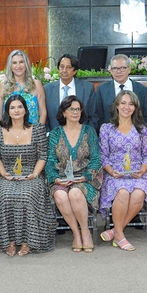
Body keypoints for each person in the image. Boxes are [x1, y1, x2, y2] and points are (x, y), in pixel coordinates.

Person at [0, 94, 54, 256]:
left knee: (27, 195)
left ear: (25, 110)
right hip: (7, 174)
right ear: (7, 111)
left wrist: (35, 174)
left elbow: (43, 156)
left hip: (32, 173)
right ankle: (8, 241)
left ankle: (27, 241)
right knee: (4, 195)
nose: (16, 110)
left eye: (19, 107)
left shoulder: (37, 129)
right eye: (12, 107)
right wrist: (4, 174)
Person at [98, 90, 147, 251]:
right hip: (115, 173)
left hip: (137, 173)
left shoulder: (142, 130)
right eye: (123, 103)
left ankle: (115, 231)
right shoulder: (106, 129)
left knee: (139, 193)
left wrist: (141, 171)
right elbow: (103, 156)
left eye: (131, 104)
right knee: (123, 192)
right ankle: (119, 235)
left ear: (135, 108)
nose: (127, 107)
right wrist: (111, 171)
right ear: (117, 106)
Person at [47, 96, 102, 252]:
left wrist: (85, 176)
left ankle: (85, 232)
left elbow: (96, 159)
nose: (75, 112)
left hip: (85, 178)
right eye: (71, 109)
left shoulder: (89, 131)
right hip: (61, 178)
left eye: (78, 109)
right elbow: (50, 161)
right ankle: (76, 234)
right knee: (61, 195)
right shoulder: (55, 134)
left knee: (75, 193)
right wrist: (56, 178)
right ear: (64, 112)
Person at [44, 54, 99, 130]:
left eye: (69, 67)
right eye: (62, 67)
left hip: (82, 137)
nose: (64, 70)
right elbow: (44, 117)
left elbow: (94, 116)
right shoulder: (48, 89)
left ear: (75, 71)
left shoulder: (87, 88)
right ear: (58, 69)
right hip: (54, 138)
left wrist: (87, 134)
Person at [0, 49, 46, 127]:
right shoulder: (3, 86)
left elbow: (43, 112)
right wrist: (0, 134)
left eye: (21, 62)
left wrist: (39, 132)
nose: (18, 66)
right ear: (10, 66)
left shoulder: (36, 84)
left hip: (33, 134)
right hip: (8, 134)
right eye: (14, 63)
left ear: (26, 64)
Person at [95, 54, 147, 127]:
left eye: (122, 68)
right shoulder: (102, 89)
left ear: (129, 69)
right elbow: (99, 116)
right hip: (109, 134)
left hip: (136, 134)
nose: (118, 71)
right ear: (110, 71)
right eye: (114, 68)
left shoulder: (142, 90)